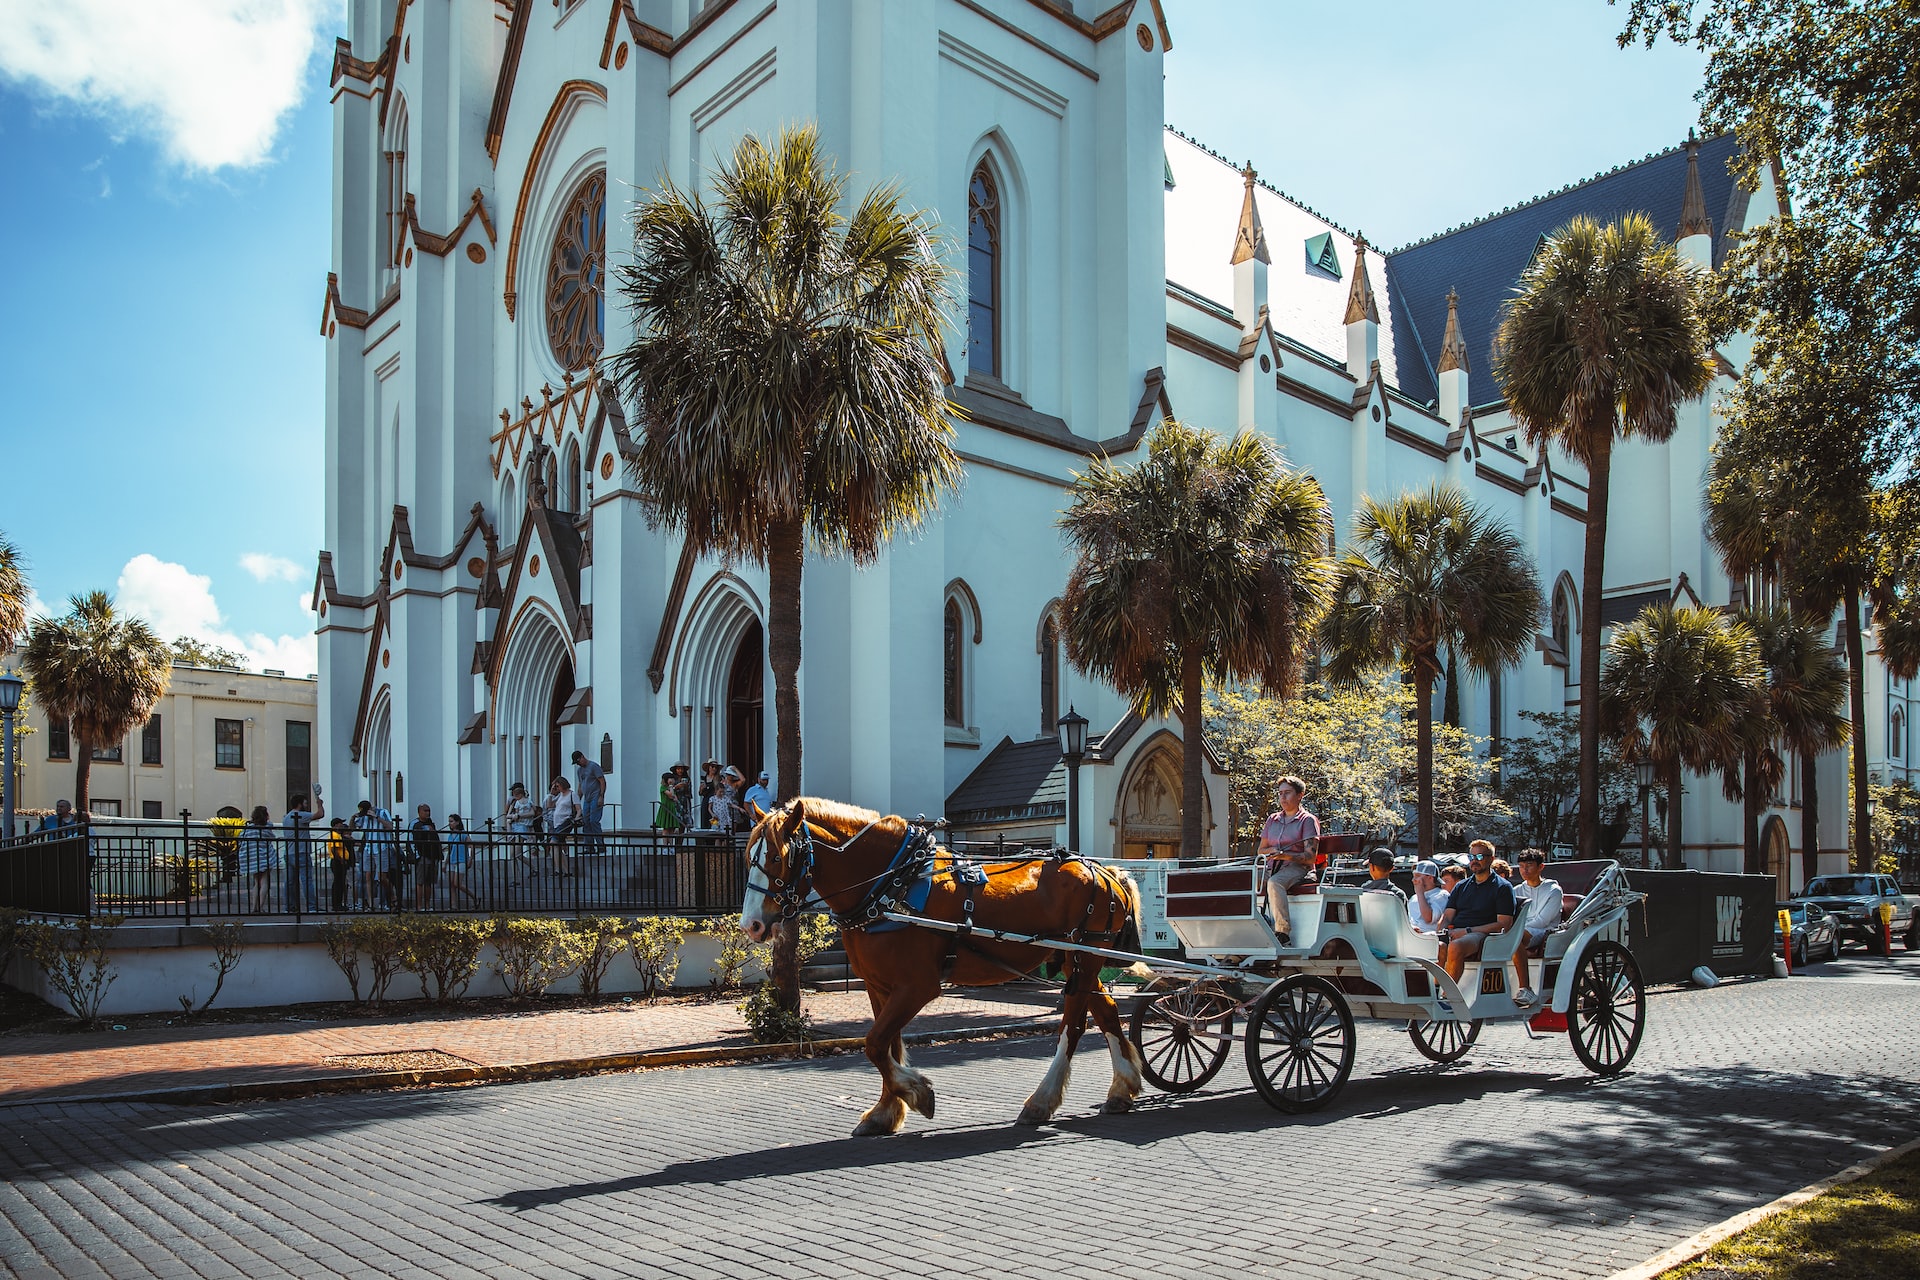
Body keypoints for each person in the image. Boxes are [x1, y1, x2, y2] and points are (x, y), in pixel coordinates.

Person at [1437, 839, 1515, 987]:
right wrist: (1440, 931)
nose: (1474, 861)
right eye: (1471, 857)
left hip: (1483, 935)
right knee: (1432, 944)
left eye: (1479, 857)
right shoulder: (1461, 886)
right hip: (1457, 931)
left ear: (1491, 859)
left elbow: (1504, 924)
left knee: (1456, 946)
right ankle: (1434, 992)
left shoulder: (1502, 887)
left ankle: (1448, 998)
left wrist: (1467, 931)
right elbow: (1447, 916)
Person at [1255, 775, 1320, 947]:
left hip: (1299, 868)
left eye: (1287, 793)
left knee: (1275, 883)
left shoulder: (1308, 820)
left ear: (1300, 795)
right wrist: (1273, 852)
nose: (1282, 798)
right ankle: (1252, 930)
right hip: (1272, 866)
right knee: (1245, 879)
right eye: (1280, 793)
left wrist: (1286, 855)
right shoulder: (1272, 819)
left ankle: (1282, 933)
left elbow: (1310, 857)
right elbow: (1261, 850)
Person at [1509, 848, 1565, 1008]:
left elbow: (1542, 921)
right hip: (1521, 930)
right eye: (1521, 866)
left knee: (1514, 938)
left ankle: (1526, 988)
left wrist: (1516, 930)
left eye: (1529, 866)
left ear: (1541, 867)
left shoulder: (1554, 891)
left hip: (1545, 932)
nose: (1524, 870)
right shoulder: (1516, 891)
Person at [282, 785, 325, 914]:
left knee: (289, 882)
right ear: (300, 804)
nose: (307, 804)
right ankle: (312, 907)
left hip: (289, 852)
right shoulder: (301, 815)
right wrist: (319, 803)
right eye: (305, 802)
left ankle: (290, 907)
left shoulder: (287, 817)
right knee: (307, 880)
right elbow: (320, 814)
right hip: (301, 851)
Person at [237, 805, 276, 913]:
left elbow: (240, 839)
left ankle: (254, 907)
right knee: (264, 882)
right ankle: (261, 907)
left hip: (252, 858)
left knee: (256, 883)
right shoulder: (266, 828)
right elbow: (272, 837)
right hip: (264, 857)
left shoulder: (248, 829)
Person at [350, 801, 386, 909]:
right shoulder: (363, 818)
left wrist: (376, 817)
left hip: (380, 848)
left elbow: (390, 826)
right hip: (368, 848)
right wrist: (353, 818)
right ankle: (370, 904)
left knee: (382, 877)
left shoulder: (382, 812)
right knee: (368, 876)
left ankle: (387, 901)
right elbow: (351, 829)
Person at [503, 783, 540, 885]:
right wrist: (513, 816)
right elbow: (507, 815)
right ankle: (515, 878)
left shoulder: (527, 802)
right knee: (512, 855)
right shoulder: (514, 802)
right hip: (514, 828)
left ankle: (533, 868)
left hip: (522, 827)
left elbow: (533, 812)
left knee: (517, 854)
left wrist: (519, 815)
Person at [570, 749, 606, 849]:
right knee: (586, 821)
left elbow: (602, 781)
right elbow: (581, 785)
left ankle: (600, 845)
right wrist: (577, 800)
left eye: (578, 761)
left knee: (594, 820)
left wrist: (601, 796)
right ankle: (589, 846)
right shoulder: (579, 771)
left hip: (595, 796)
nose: (578, 764)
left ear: (582, 757)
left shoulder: (593, 766)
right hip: (587, 798)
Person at [544, 776, 579, 876]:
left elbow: (578, 808)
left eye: (557, 786)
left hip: (566, 822)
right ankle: (565, 870)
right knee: (557, 846)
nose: (557, 788)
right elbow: (550, 805)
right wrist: (551, 792)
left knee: (553, 843)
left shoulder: (572, 794)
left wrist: (577, 818)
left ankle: (558, 869)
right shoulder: (560, 795)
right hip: (557, 823)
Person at [411, 804, 443, 909]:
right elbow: (414, 840)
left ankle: (427, 904)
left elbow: (436, 838)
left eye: (428, 810)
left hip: (433, 855)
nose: (427, 813)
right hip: (423, 855)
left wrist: (439, 854)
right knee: (420, 881)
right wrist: (417, 855)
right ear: (419, 812)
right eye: (425, 811)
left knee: (429, 882)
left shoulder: (431, 824)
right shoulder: (416, 825)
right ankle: (419, 906)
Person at [1406, 859, 1449, 936]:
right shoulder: (1413, 898)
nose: (1413, 880)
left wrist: (1420, 893)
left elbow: (1428, 918)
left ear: (1430, 878)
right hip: (1409, 936)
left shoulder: (1442, 895)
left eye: (1418, 876)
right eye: (1413, 876)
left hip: (1428, 938)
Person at [325, 817, 355, 912]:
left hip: (340, 861)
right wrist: (341, 860)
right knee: (338, 883)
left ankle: (338, 904)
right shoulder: (335, 835)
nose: (342, 825)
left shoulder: (337, 835)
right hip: (338, 862)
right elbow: (334, 849)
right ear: (336, 825)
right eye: (340, 823)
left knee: (340, 883)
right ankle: (337, 904)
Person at [710, 765, 744, 834]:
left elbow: (743, 780)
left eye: (731, 775)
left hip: (733, 809)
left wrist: (735, 769)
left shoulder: (735, 784)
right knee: (720, 834)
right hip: (722, 809)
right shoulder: (722, 783)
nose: (729, 776)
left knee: (732, 832)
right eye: (728, 774)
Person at [697, 760, 721, 830]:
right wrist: (701, 788)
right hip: (706, 800)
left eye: (716, 767)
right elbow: (700, 793)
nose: (714, 769)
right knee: (705, 819)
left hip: (715, 801)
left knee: (714, 820)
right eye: (712, 767)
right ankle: (705, 838)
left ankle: (713, 838)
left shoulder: (719, 778)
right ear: (709, 767)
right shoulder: (704, 778)